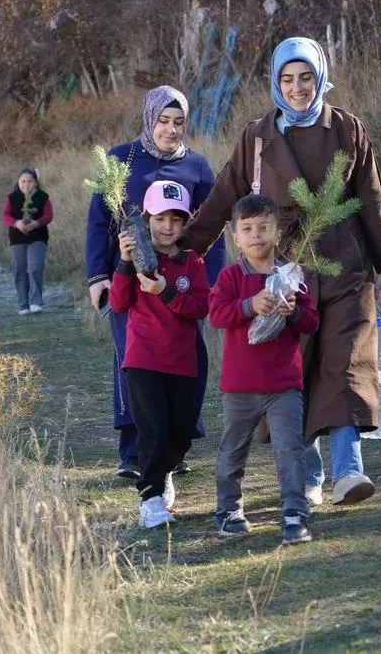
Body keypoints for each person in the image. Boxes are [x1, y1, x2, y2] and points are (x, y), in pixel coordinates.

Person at [182, 38, 381, 508]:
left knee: (344, 363)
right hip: (282, 271)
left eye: (306, 77)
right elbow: (225, 196)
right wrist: (183, 252)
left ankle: (348, 472)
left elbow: (371, 199)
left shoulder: (346, 128)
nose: (298, 88)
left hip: (345, 263)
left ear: (320, 76)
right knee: (295, 371)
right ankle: (307, 475)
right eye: (288, 79)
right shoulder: (258, 137)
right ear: (276, 83)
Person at [84, 85, 225, 480]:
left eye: (178, 122)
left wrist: (212, 285)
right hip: (127, 279)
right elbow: (99, 223)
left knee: (186, 359)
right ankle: (133, 452)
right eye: (163, 121)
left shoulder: (197, 167)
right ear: (149, 119)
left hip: (181, 283)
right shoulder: (120, 159)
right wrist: (97, 277)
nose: (171, 129)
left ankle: (176, 444)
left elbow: (211, 231)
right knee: (132, 360)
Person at [208, 194, 321, 545]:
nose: (256, 235)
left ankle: (294, 513)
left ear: (277, 233)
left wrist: (295, 313)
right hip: (239, 386)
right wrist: (249, 305)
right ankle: (228, 509)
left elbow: (312, 322)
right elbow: (217, 315)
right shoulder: (230, 277)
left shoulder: (290, 274)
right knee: (233, 449)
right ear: (235, 237)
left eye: (263, 228)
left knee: (290, 449)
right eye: (247, 229)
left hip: (283, 384)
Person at [109, 180, 210, 529]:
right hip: (143, 360)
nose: (168, 227)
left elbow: (201, 307)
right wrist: (124, 263)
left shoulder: (192, 262)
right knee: (151, 428)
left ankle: (164, 471)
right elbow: (118, 303)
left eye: (176, 219)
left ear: (186, 223)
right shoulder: (136, 260)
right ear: (147, 218)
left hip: (183, 361)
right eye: (160, 218)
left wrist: (167, 292)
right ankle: (150, 499)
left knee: (181, 431)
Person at [1, 168, 54, 314]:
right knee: (20, 270)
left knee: (35, 268)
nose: (26, 184)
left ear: (36, 183)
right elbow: (5, 216)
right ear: (18, 182)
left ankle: (36, 301)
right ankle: (22, 304)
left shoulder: (43, 197)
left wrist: (37, 223)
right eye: (23, 181)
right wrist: (16, 223)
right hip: (17, 238)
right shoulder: (12, 198)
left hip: (38, 237)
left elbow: (48, 216)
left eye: (29, 181)